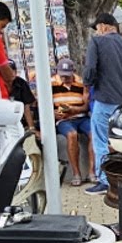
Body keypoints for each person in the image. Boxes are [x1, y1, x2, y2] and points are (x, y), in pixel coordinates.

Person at [83, 12, 122, 194]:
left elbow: (90, 69)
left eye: (97, 28)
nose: (97, 31)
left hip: (104, 100)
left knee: (101, 142)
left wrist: (87, 85)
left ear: (103, 26)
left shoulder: (97, 42)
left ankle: (105, 181)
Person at [51, 57, 93, 186]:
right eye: (62, 76)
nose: (65, 79)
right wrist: (53, 113)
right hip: (64, 120)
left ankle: (92, 171)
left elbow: (86, 107)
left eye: (68, 76)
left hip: (81, 116)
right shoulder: (51, 84)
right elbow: (43, 106)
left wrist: (74, 109)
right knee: (71, 135)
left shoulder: (81, 83)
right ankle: (76, 173)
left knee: (94, 132)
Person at [6, 61, 37, 131]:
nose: (12, 73)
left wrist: (31, 128)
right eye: (8, 71)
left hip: (20, 122)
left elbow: (26, 107)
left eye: (14, 70)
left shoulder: (21, 83)